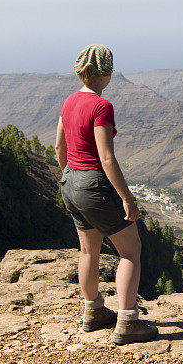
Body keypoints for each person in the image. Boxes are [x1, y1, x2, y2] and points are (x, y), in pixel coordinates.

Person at [55, 44, 158, 345]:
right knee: (130, 251)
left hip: (70, 182)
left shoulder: (69, 101)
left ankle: (93, 311)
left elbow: (60, 148)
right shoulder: (102, 107)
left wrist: (69, 175)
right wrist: (126, 197)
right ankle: (127, 323)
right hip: (94, 185)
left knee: (89, 251)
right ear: (108, 73)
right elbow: (107, 158)